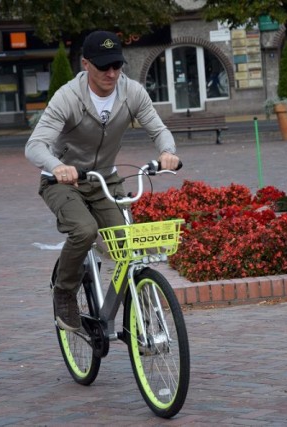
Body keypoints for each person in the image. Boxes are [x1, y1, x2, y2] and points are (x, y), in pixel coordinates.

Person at [25, 30, 180, 332]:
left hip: (105, 180)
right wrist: (57, 167)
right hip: (62, 182)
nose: (111, 73)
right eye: (103, 66)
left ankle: (143, 318)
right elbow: (34, 145)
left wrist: (167, 152)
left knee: (125, 243)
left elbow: (158, 128)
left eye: (116, 65)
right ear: (85, 64)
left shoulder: (131, 92)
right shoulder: (68, 98)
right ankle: (65, 291)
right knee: (85, 231)